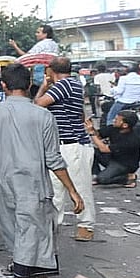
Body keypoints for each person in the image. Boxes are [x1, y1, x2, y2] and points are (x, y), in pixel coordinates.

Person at [0, 64, 84, 278]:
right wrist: (72, 190)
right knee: (35, 229)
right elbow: (53, 158)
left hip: (3, 182)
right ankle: (27, 274)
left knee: (13, 230)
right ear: (28, 85)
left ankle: (22, 273)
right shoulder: (43, 115)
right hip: (34, 184)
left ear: (4, 85)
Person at [35, 57, 97, 242]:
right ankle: (53, 224)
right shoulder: (74, 84)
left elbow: (37, 105)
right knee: (55, 188)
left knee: (80, 186)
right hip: (66, 143)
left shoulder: (63, 85)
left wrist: (44, 86)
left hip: (71, 144)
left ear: (50, 71)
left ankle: (86, 225)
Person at [89, 111, 140, 186]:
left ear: (125, 125)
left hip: (124, 164)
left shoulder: (131, 140)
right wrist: (91, 127)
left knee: (103, 179)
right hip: (112, 157)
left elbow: (104, 149)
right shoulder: (114, 128)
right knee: (92, 151)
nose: (114, 120)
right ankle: (96, 174)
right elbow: (98, 135)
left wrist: (92, 133)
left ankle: (128, 177)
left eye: (117, 120)